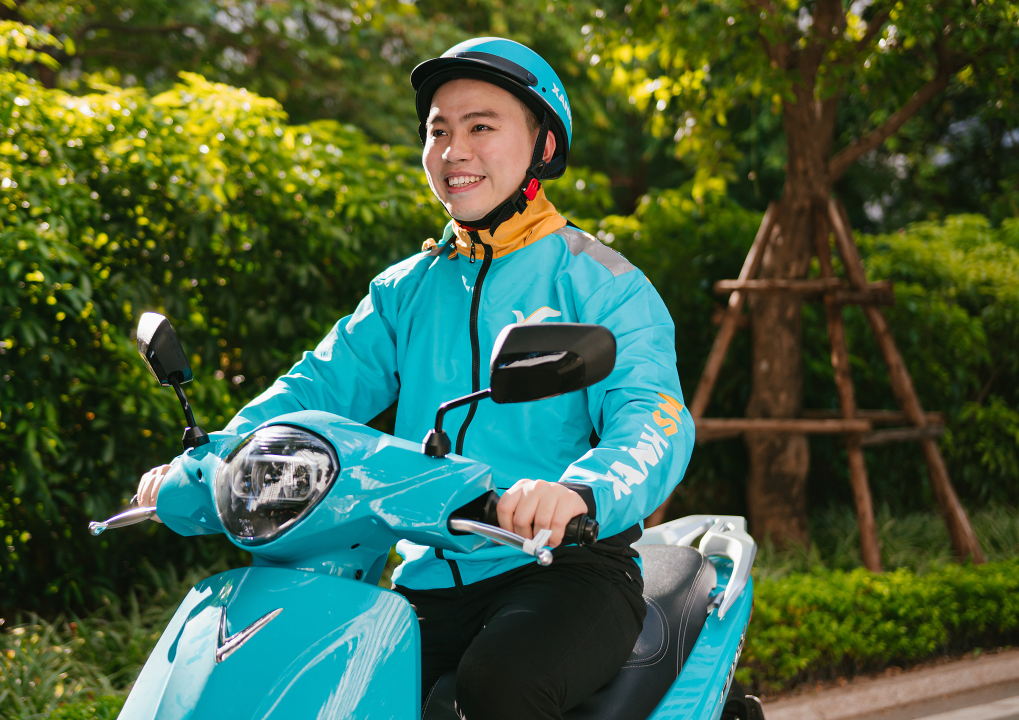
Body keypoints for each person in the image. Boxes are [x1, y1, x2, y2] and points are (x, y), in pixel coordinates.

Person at [137, 37, 695, 720]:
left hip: (562, 570)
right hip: (427, 572)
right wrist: (211, 457)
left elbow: (654, 418)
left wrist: (579, 492)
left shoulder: (603, 283)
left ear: (543, 147)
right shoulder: (408, 288)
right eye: (438, 131)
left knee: (500, 687)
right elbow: (313, 389)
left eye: (480, 127)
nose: (452, 150)